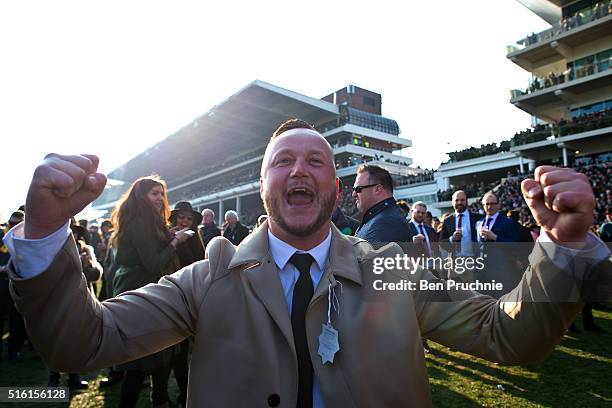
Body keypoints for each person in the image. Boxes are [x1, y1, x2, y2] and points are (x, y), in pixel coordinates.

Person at [3, 120, 611, 407]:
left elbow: (510, 336)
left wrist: (561, 247)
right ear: (263, 185)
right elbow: (82, 343)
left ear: (337, 188)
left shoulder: (394, 269)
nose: (299, 170)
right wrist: (47, 234)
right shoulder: (210, 274)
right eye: (282, 161)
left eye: (316, 162)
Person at [108, 176, 192, 407]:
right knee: (140, 359)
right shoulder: (138, 221)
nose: (159, 198)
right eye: (154, 193)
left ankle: (160, 399)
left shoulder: (150, 220)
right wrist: (176, 242)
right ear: (141, 196)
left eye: (161, 193)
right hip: (138, 288)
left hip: (148, 288)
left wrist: (170, 235)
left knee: (160, 350)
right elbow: (153, 263)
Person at [169, 200, 205, 407]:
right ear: (174, 218)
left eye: (189, 219)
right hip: (175, 298)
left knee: (197, 349)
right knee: (178, 350)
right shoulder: (169, 237)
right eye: (181, 217)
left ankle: (190, 393)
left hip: (195, 298)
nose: (185, 222)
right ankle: (183, 395)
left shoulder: (195, 239)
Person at [353, 164, 412, 249]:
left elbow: (364, 261)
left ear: (378, 189)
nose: (353, 194)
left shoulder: (387, 222)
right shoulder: (379, 218)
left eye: (358, 189)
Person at [439, 190, 484, 256]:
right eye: (456, 200)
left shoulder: (478, 218)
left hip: (475, 260)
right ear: (452, 202)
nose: (459, 202)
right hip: (456, 261)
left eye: (462, 200)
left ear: (467, 201)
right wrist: (452, 239)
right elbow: (442, 243)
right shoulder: (447, 220)